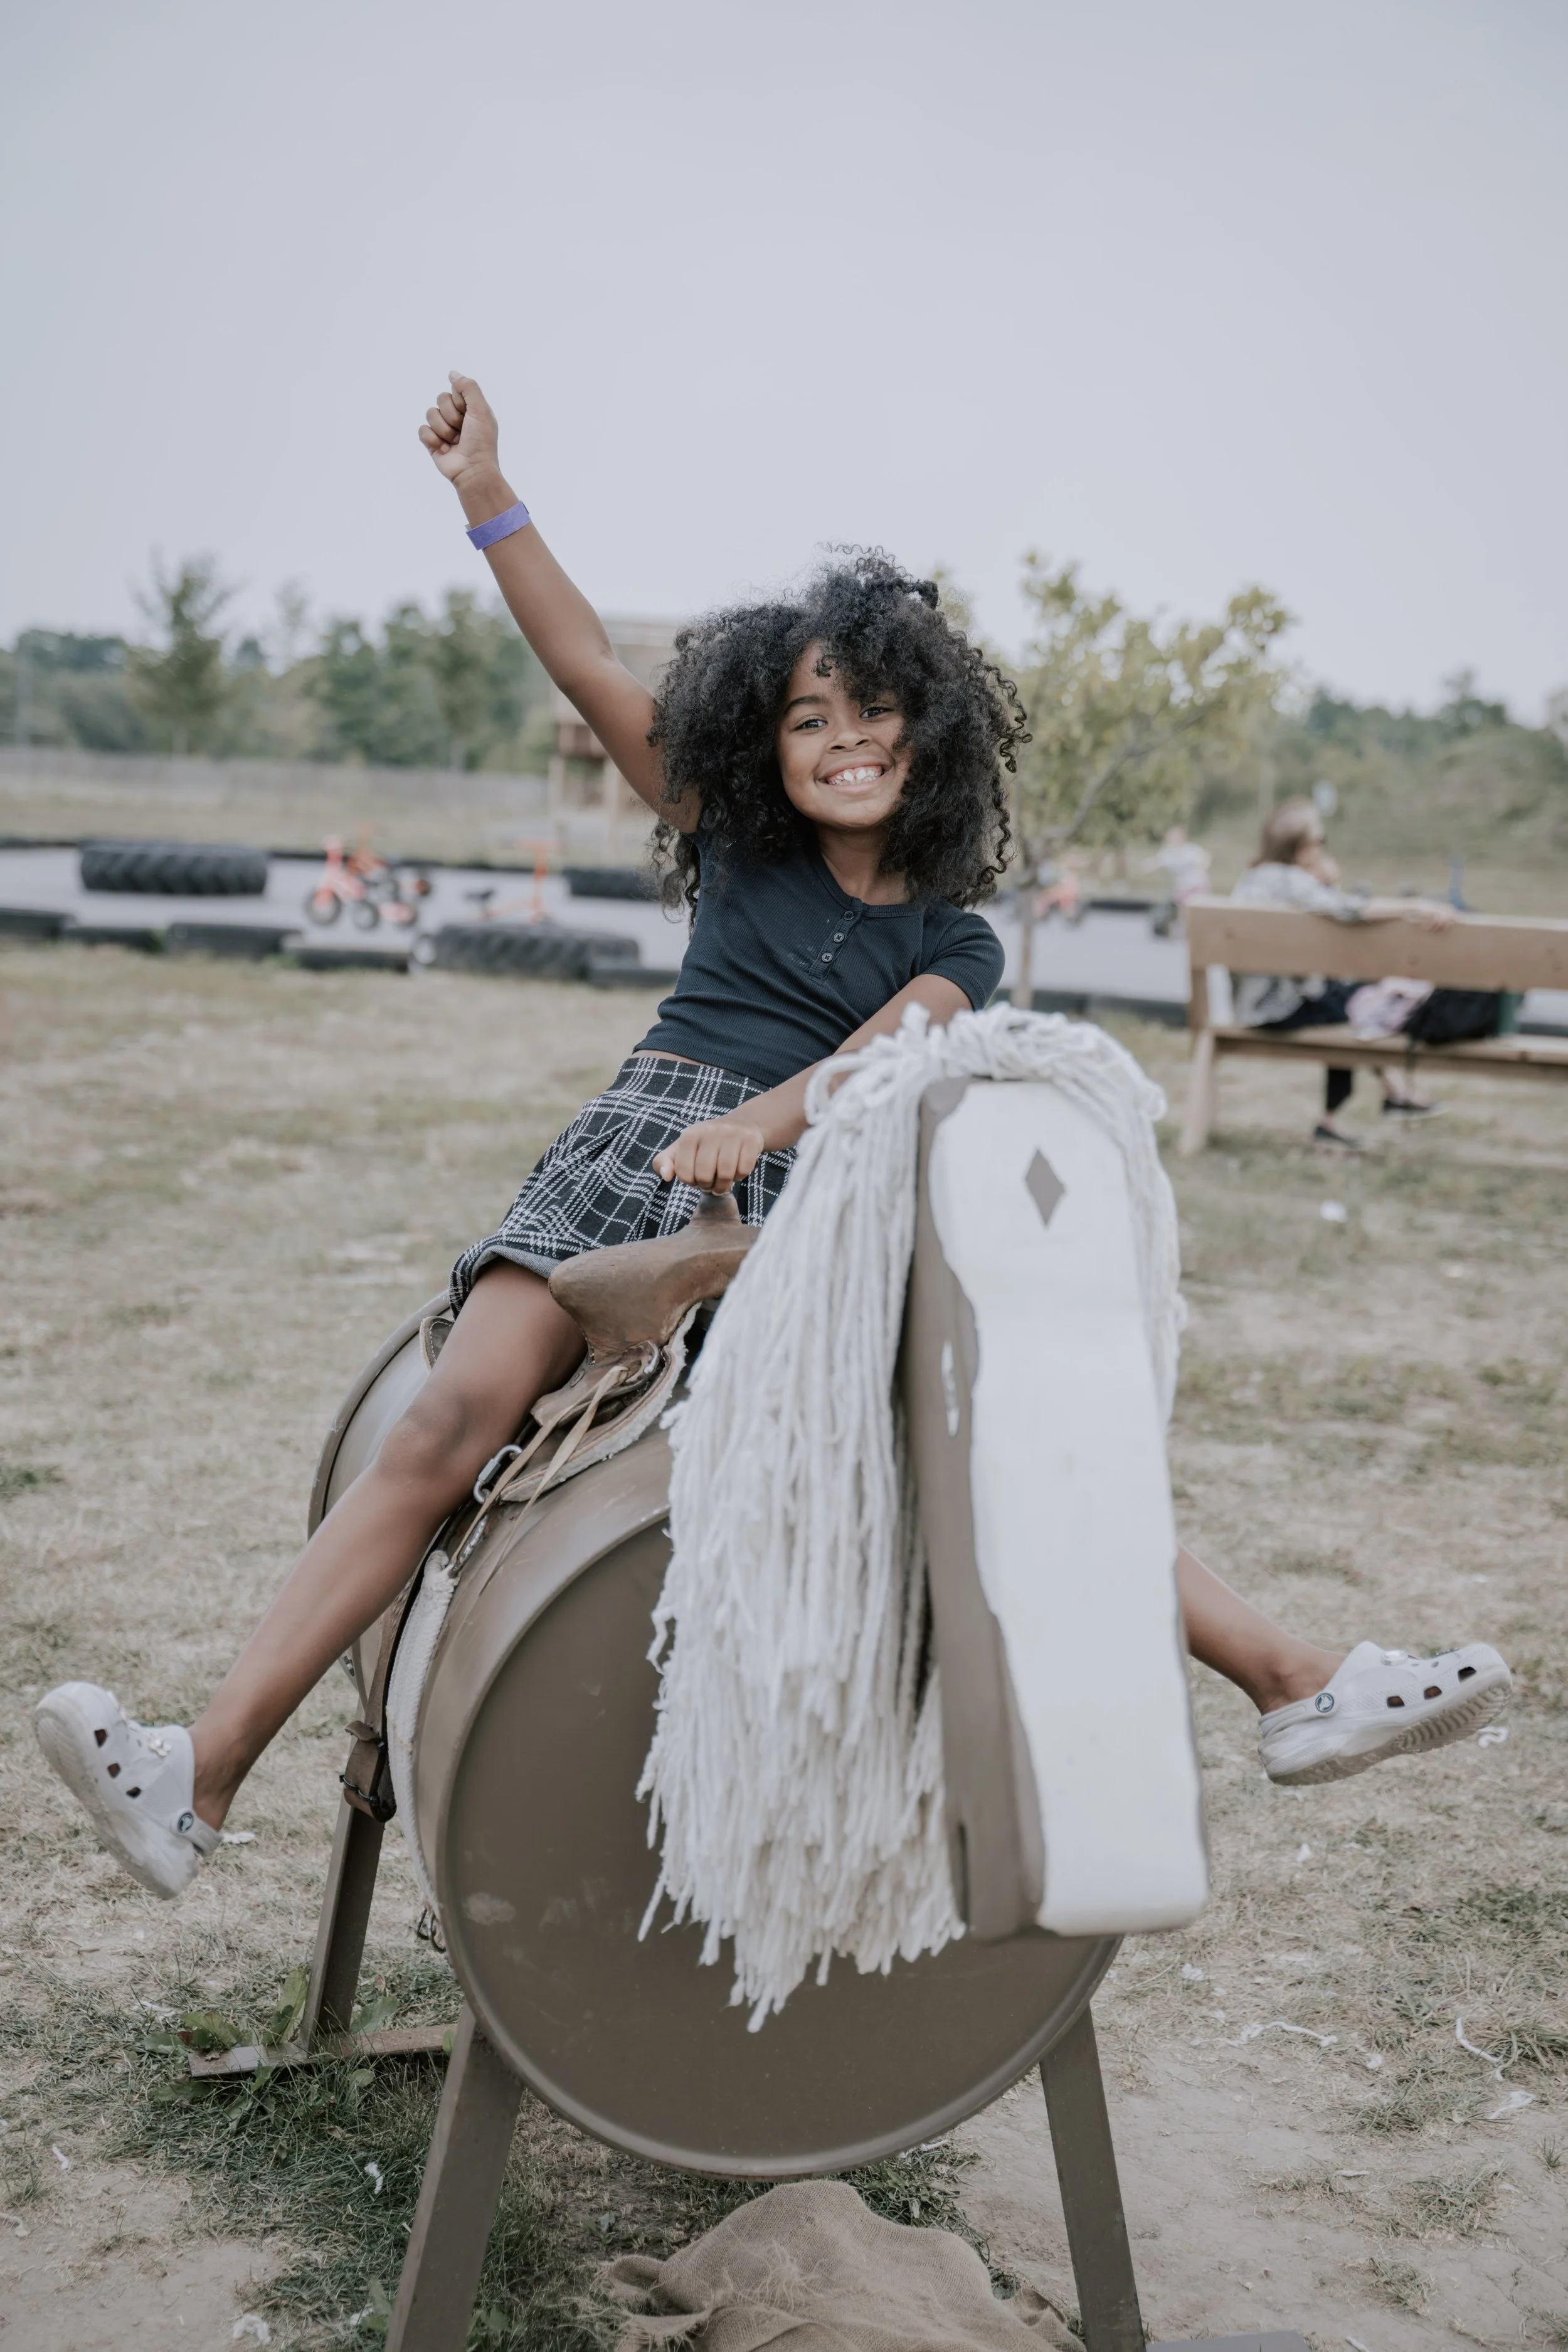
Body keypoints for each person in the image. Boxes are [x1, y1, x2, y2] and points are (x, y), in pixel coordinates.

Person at [33, 377, 1511, 1901]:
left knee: (997, 1454)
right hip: (634, 1141)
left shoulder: (960, 940)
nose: (843, 739)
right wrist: (491, 492)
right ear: (767, 738)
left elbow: (882, 1061)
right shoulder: (732, 836)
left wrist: (758, 1118)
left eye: (872, 714)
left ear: (927, 738)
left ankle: (1293, 1680)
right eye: (809, 717)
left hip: (814, 1190)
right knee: (441, 1419)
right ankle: (193, 1776)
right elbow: (589, 656)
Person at [1231, 798, 1453, 1147]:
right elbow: (1349, 912)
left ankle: (1393, 1091)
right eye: (1320, 841)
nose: (1322, 849)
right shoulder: (1292, 880)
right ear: (1300, 847)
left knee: (1348, 1002)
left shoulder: (1253, 879)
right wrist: (1413, 906)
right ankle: (1335, 1119)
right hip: (1276, 1010)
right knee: (1353, 1014)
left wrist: (1322, 886)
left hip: (1249, 1006)